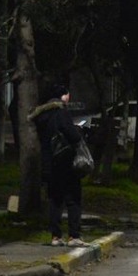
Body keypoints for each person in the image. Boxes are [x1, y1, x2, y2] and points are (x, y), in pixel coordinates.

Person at [30, 80, 87, 247]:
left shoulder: (41, 115)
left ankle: (55, 236)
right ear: (63, 96)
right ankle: (74, 235)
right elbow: (73, 136)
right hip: (65, 161)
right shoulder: (61, 112)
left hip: (49, 163)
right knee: (73, 198)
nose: (69, 97)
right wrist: (78, 131)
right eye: (68, 94)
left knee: (55, 200)